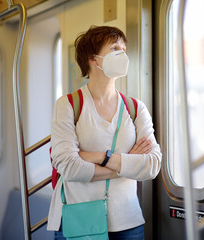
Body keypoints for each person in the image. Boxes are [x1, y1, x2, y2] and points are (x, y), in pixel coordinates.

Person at [47, 25, 162, 240]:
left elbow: (153, 165)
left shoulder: (135, 108)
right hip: (79, 218)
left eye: (124, 49)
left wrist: (98, 157)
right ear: (93, 59)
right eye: (114, 48)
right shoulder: (69, 105)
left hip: (127, 221)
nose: (122, 55)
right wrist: (127, 165)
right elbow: (69, 167)